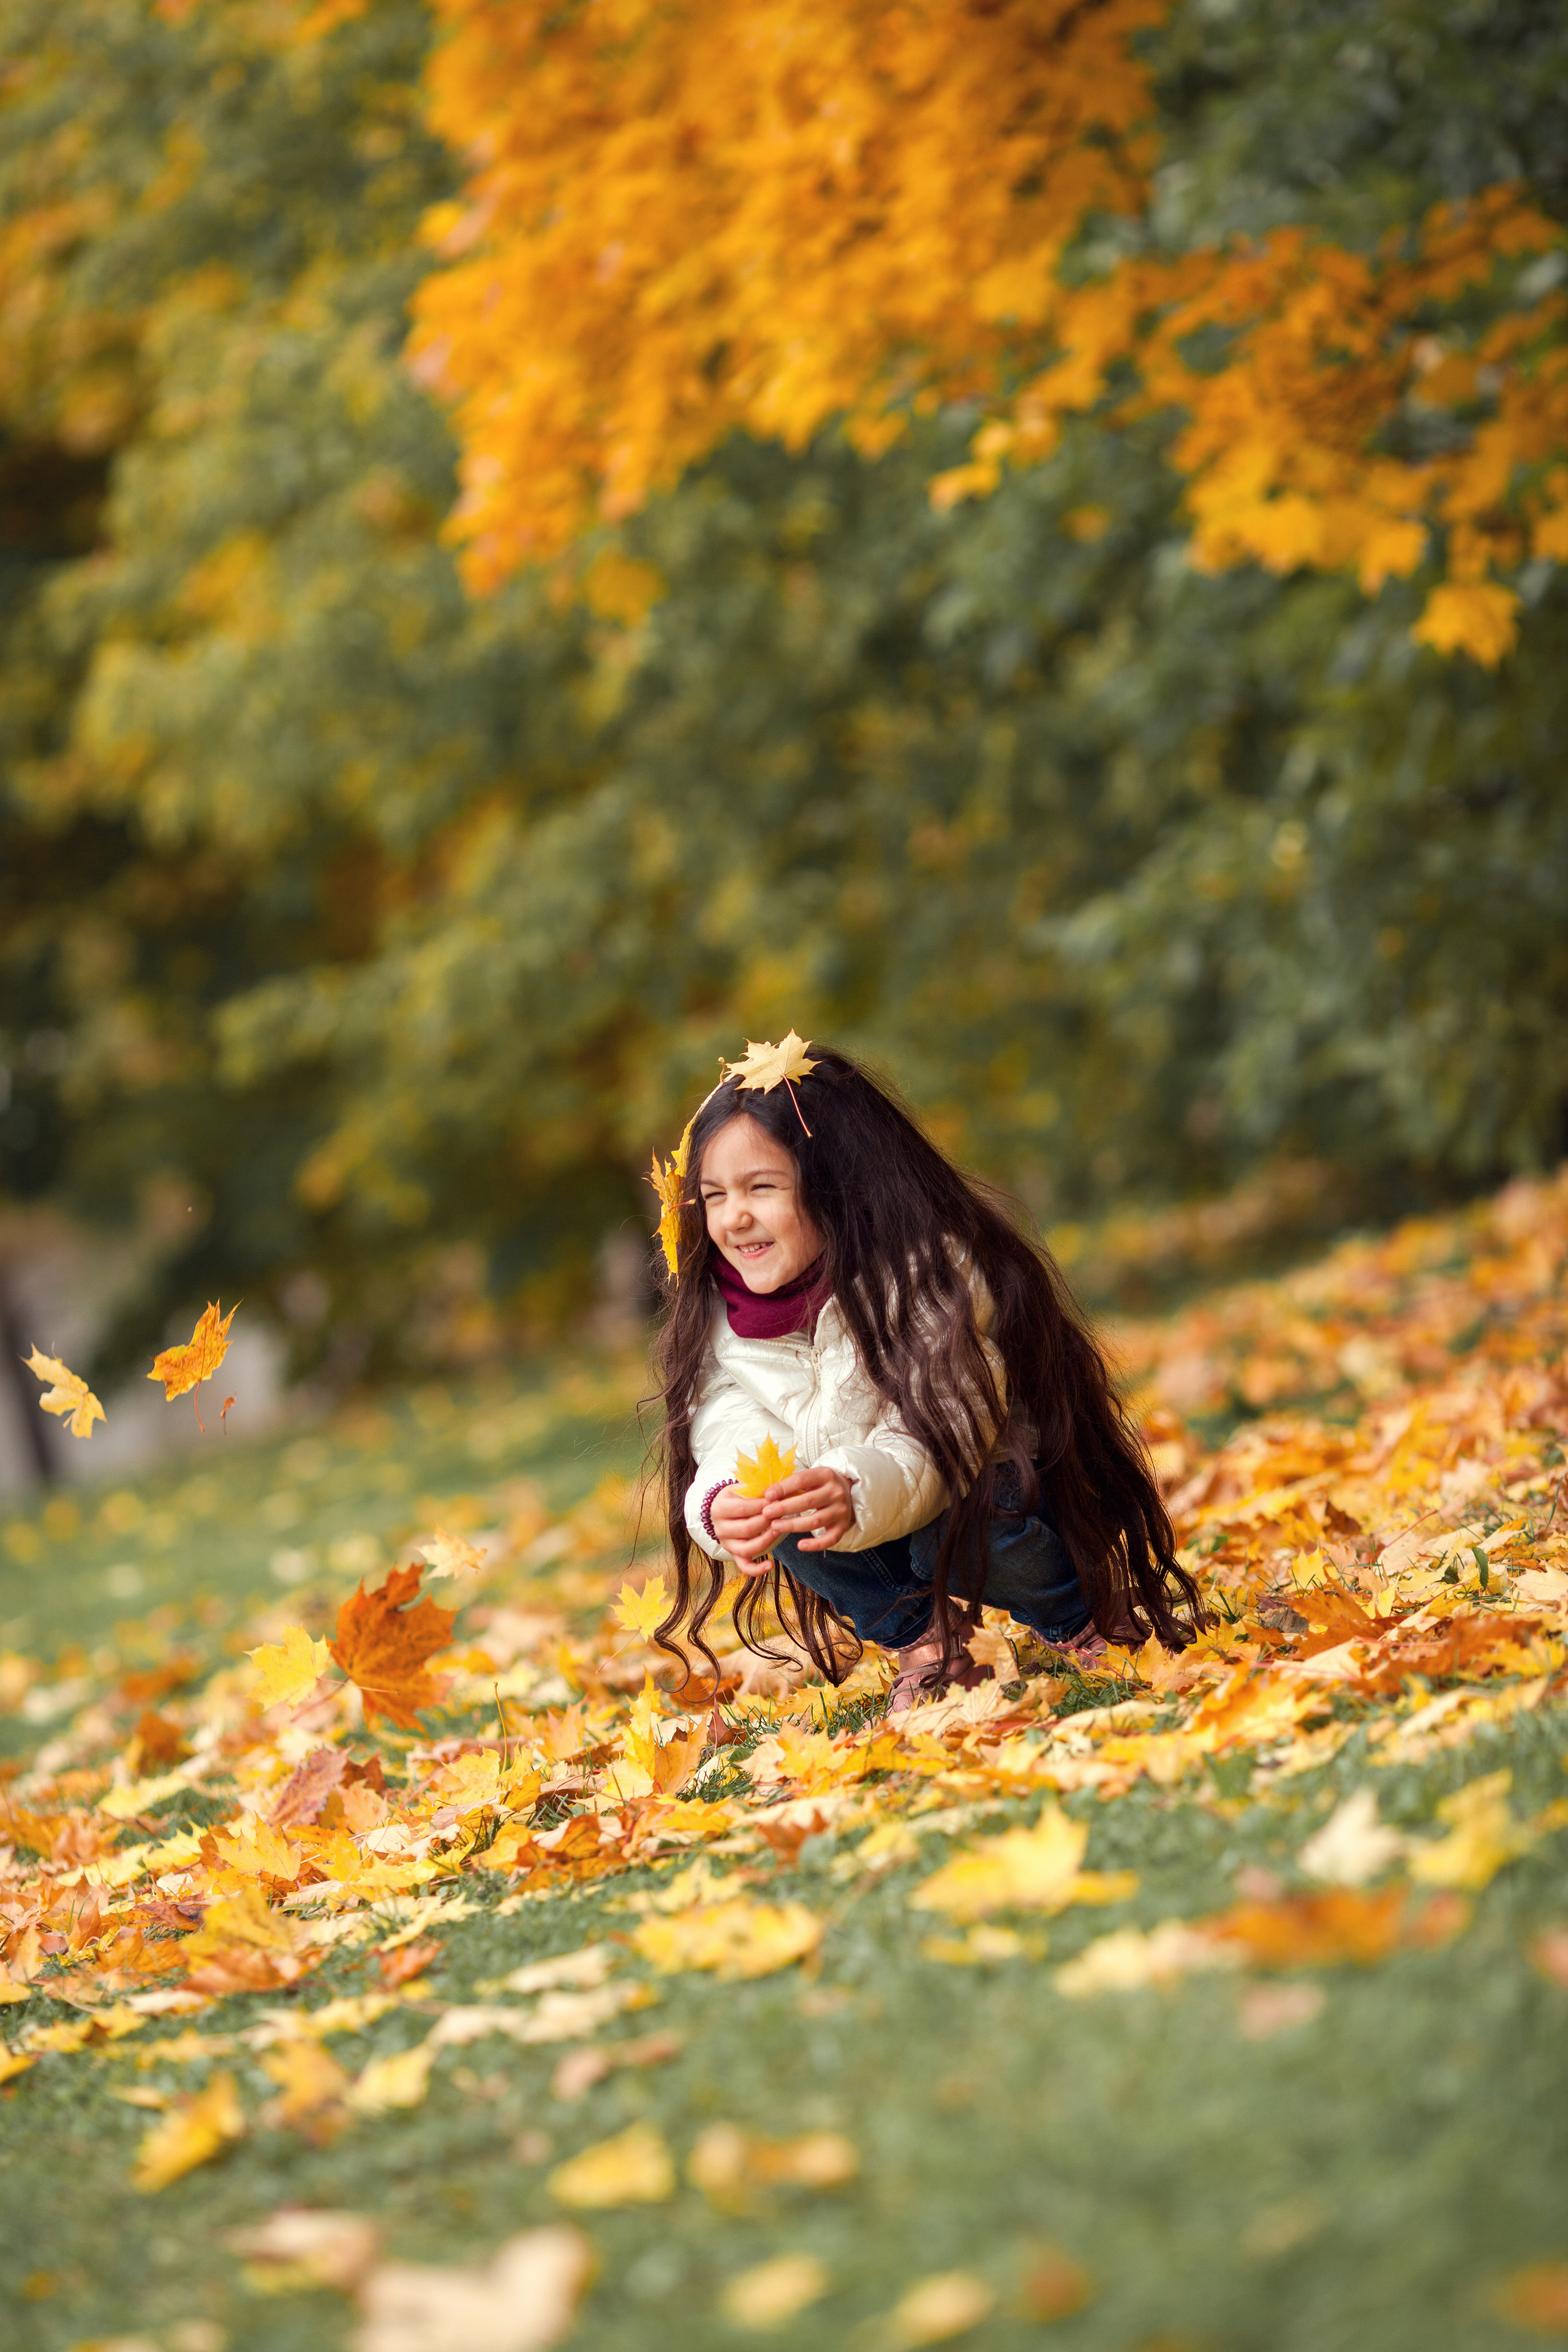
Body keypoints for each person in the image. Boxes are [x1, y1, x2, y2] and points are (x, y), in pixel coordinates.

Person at [650, 1036, 1200, 1708]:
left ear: (837, 1183)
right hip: (863, 1501)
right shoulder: (720, 1319)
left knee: (955, 1533)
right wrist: (728, 1502)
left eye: (761, 1187)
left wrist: (852, 1488)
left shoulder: (927, 1271)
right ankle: (929, 1640)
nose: (734, 1217)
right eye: (713, 1196)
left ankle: (1078, 1614)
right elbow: (726, 1426)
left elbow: (943, 1431)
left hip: (983, 1484)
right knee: (780, 1508)